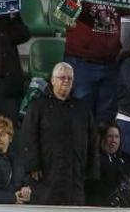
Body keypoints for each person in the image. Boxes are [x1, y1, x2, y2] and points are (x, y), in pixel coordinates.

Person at [65, 0, 130, 123]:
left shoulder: (114, 0)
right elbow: (63, 16)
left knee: (106, 116)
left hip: (110, 66)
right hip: (83, 65)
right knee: (82, 114)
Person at [22, 62, 99, 205]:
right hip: (47, 173)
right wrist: (33, 165)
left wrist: (93, 169)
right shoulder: (38, 106)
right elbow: (29, 136)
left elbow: (92, 139)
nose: (66, 81)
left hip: (76, 174)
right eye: (62, 77)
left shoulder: (82, 108)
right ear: (52, 80)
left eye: (70, 78)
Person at [87, 121, 130, 206]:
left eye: (117, 137)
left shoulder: (127, 159)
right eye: (110, 136)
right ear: (101, 138)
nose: (114, 141)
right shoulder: (93, 160)